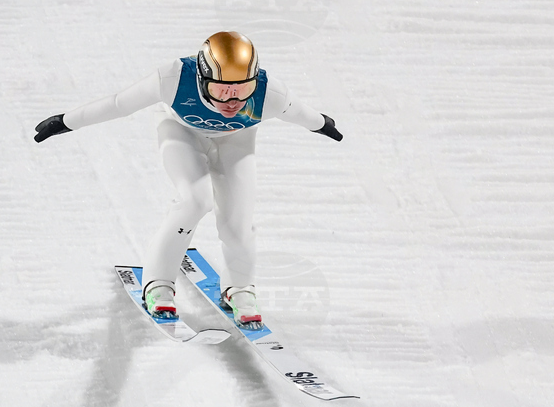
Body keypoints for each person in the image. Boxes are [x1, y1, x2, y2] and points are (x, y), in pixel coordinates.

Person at [34, 31, 342, 330]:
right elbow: (118, 104)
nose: (232, 100)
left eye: (242, 89)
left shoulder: (270, 93)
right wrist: (65, 121)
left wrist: (322, 124)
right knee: (194, 201)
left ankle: (240, 288)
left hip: (236, 142)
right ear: (201, 77)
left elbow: (301, 113)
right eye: (222, 90)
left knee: (238, 218)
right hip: (181, 133)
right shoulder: (173, 78)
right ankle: (158, 283)